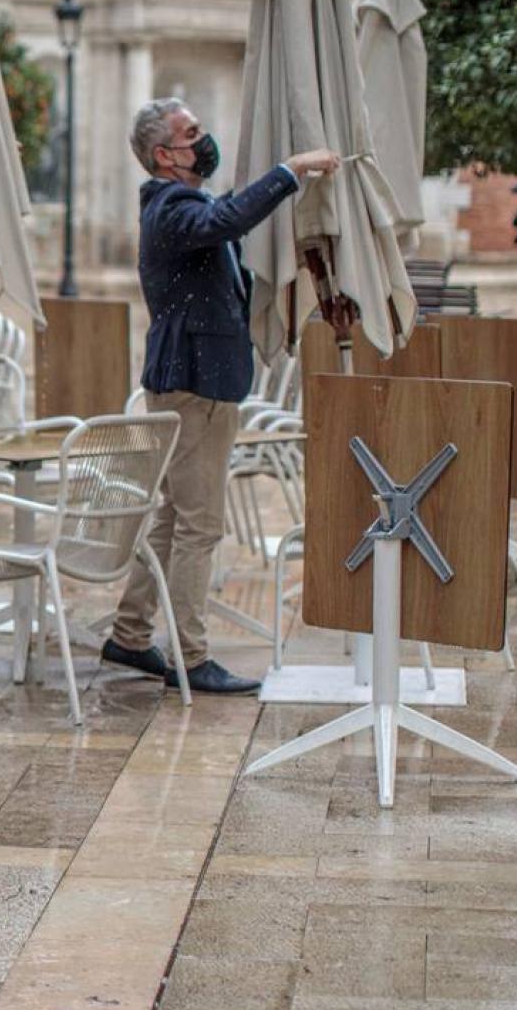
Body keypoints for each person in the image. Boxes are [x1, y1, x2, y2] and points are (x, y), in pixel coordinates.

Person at [102, 98, 339, 695]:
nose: (205, 141)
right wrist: (289, 171)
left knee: (172, 519)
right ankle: (192, 656)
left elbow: (226, 226)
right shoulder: (173, 207)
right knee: (200, 527)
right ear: (165, 154)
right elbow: (228, 221)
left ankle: (129, 636)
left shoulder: (175, 204)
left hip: (188, 380)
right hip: (194, 386)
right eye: (192, 133)